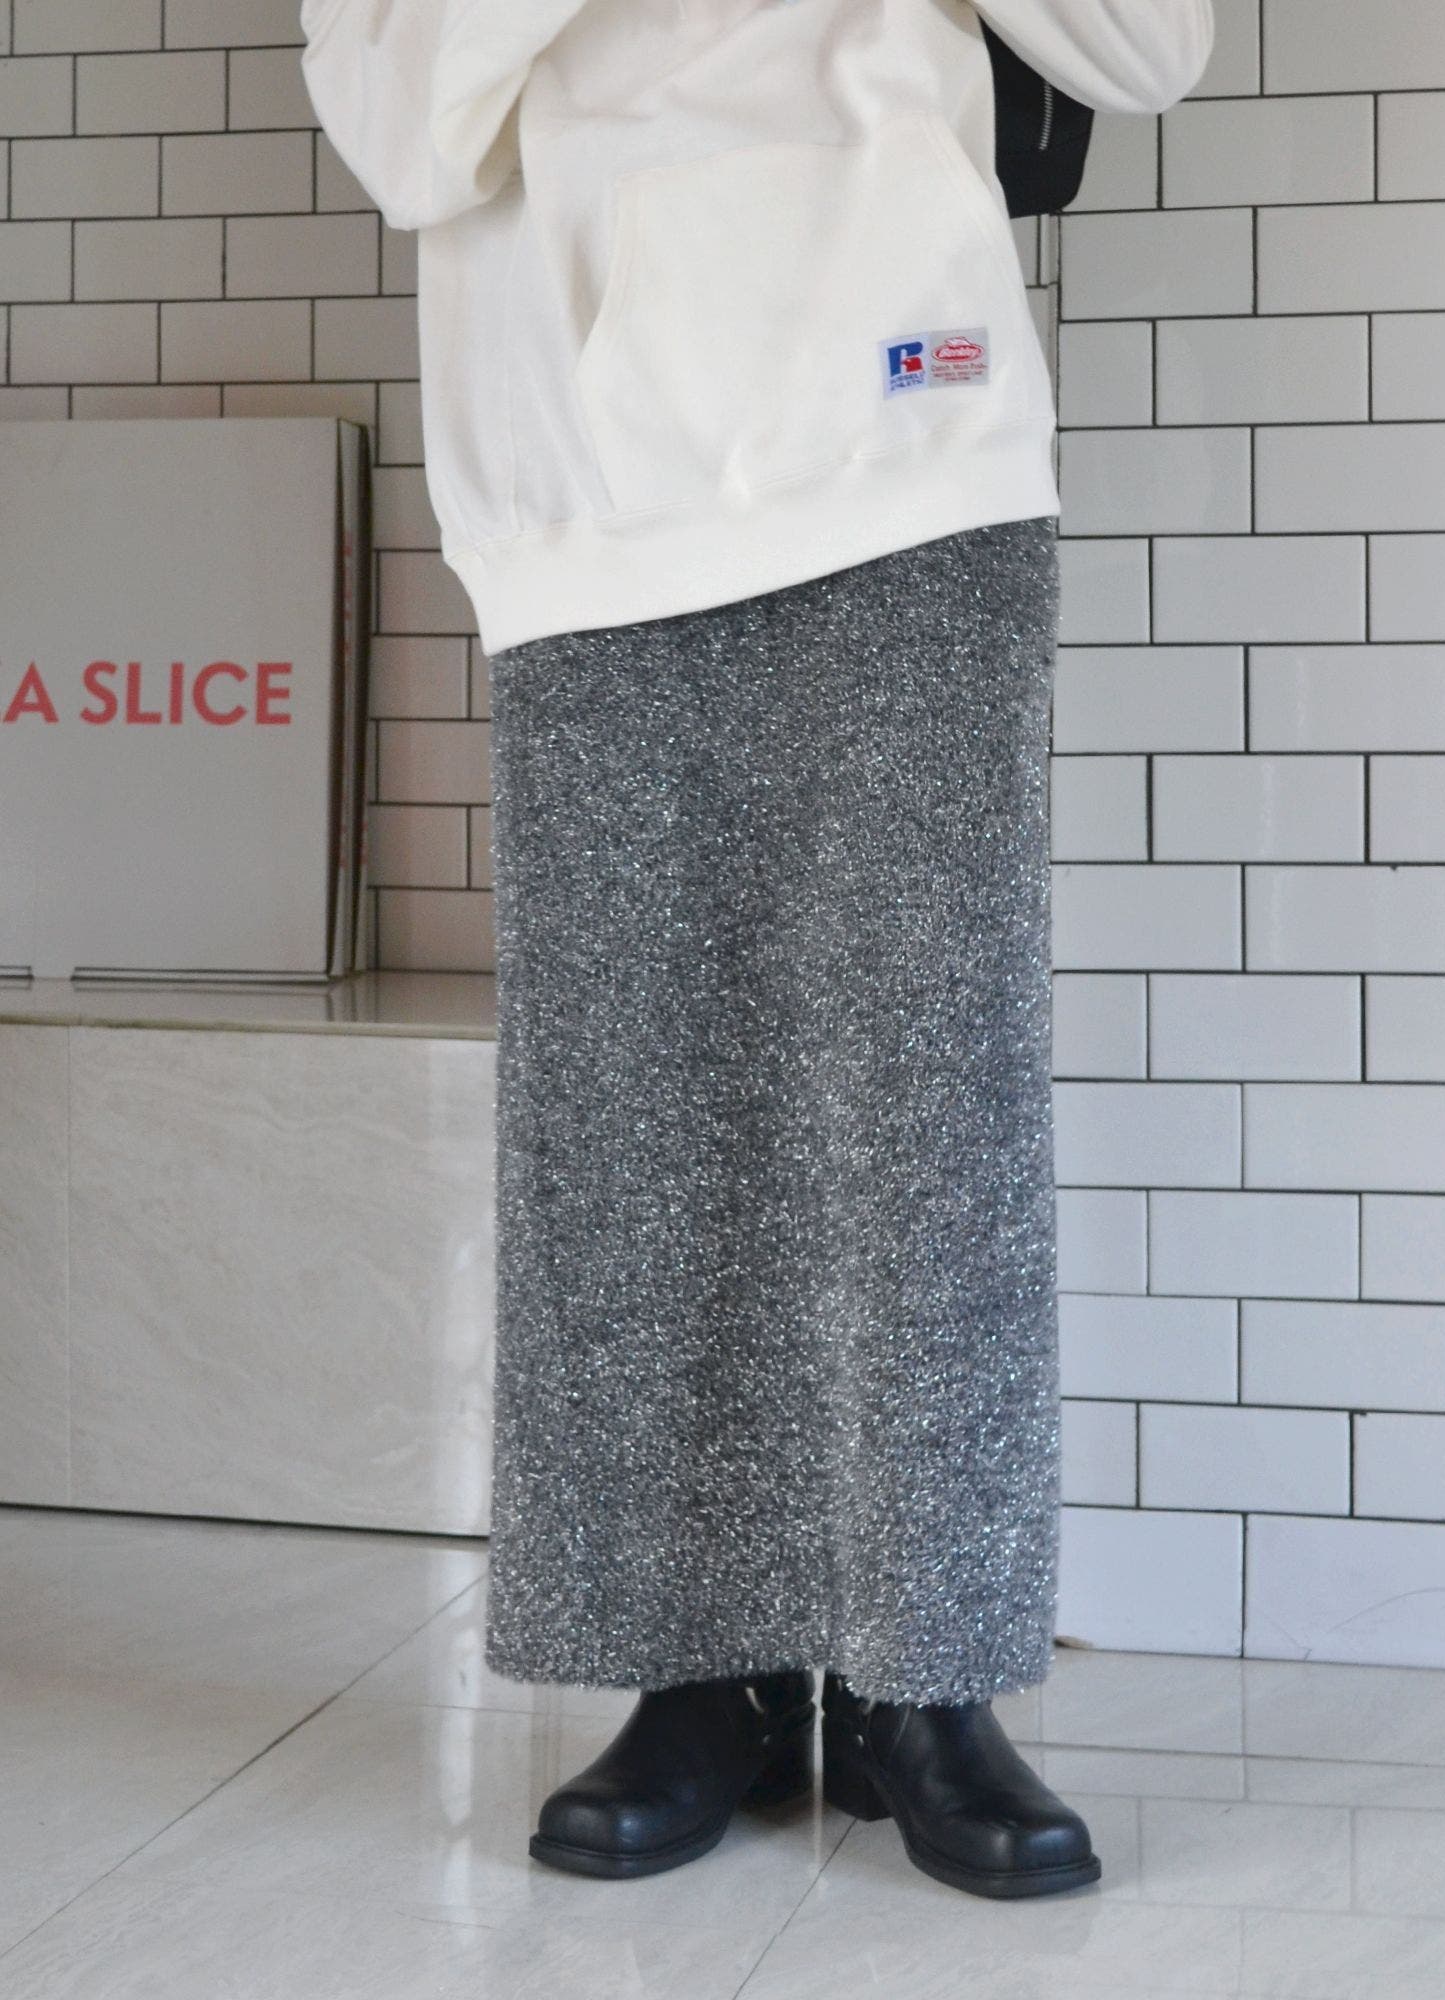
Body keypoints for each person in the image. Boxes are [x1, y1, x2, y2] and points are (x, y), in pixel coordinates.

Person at [300, 0, 1214, 1900]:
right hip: (585, 496)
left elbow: (1150, 47)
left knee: (931, 1116)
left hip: (914, 434)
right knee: (638, 1117)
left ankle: (922, 1678)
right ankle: (698, 1668)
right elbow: (396, 127)